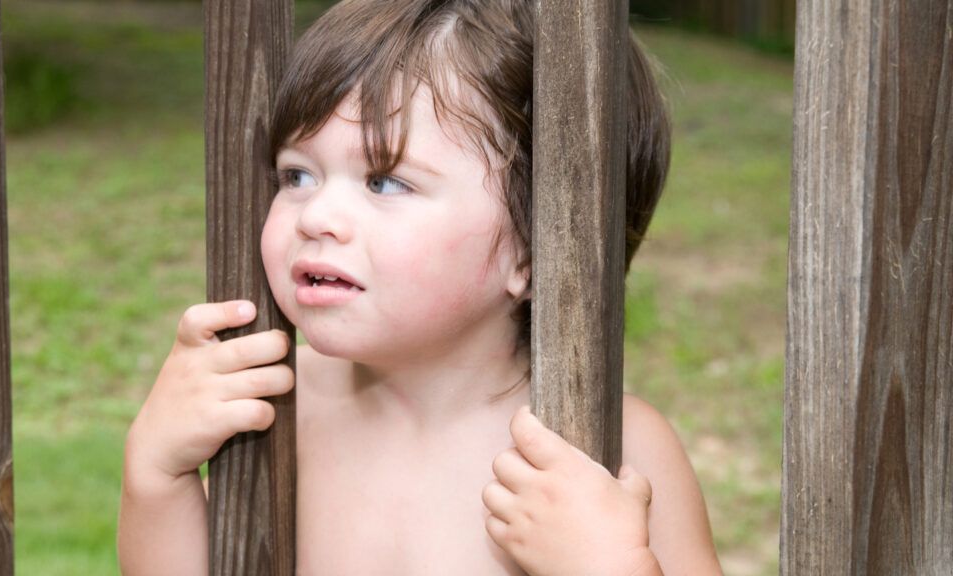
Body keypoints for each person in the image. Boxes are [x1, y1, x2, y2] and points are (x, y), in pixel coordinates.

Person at [118, 1, 722, 574]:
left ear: (540, 252)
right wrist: (156, 473)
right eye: (297, 174)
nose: (315, 215)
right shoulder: (272, 402)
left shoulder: (617, 445)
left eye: (385, 182)